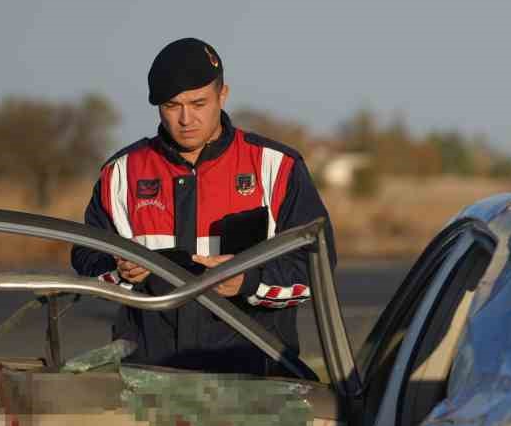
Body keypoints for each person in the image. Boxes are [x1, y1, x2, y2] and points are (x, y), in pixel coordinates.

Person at [71, 37, 334, 375]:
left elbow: (317, 269)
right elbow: (86, 260)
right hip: (149, 384)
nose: (186, 119)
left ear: (222, 95)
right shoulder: (120, 173)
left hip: (258, 389)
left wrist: (248, 281)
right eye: (172, 106)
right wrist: (118, 270)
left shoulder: (277, 167)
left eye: (198, 103)